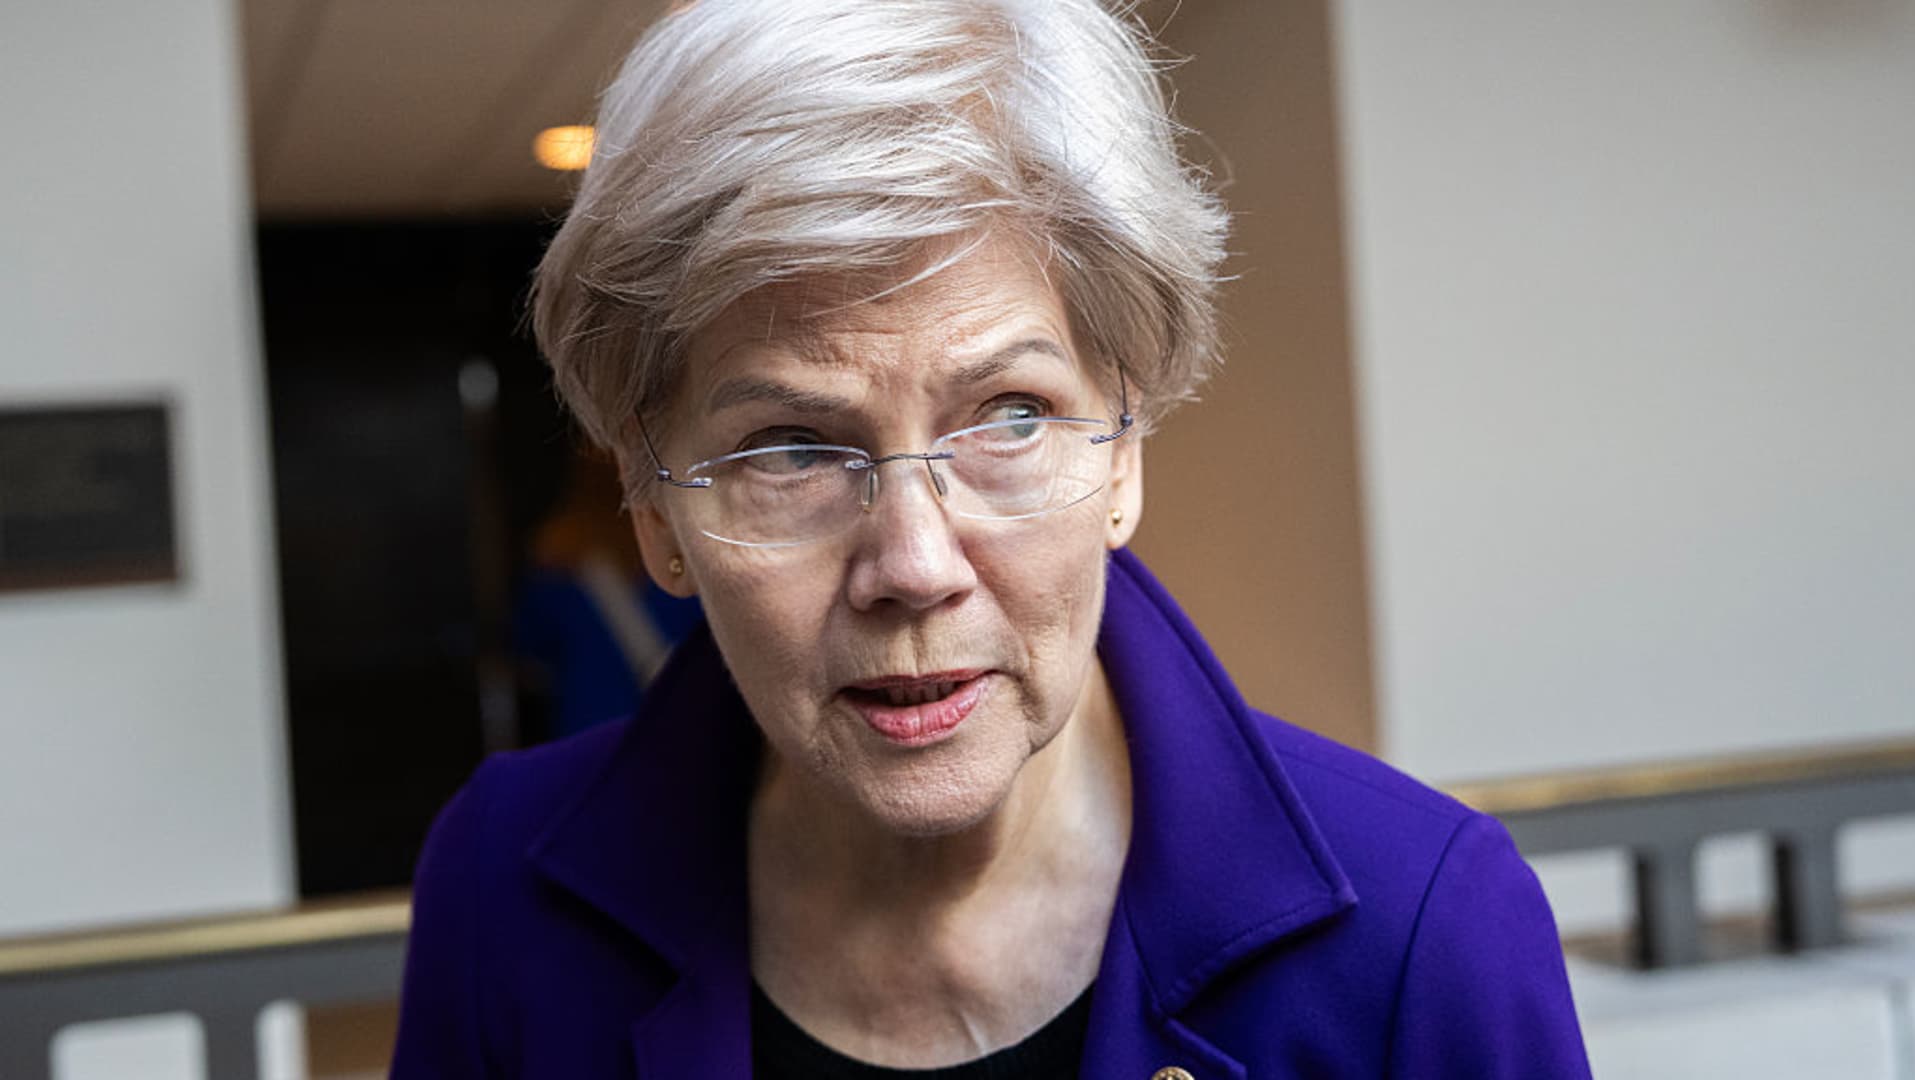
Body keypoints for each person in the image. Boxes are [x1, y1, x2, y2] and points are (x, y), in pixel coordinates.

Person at [392, 1, 1591, 1076]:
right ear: (654, 508)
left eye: (1009, 417)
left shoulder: (1420, 929)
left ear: (1123, 450)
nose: (915, 566)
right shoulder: (501, 891)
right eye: (793, 448)